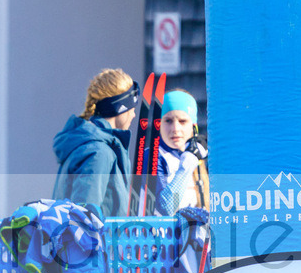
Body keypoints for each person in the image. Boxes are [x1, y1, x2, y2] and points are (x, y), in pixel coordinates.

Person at [51, 69, 138, 217]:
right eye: (131, 109)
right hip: (98, 240)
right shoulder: (99, 153)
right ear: (120, 108)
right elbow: (83, 218)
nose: (134, 115)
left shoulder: (92, 145)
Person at [156, 89, 209, 214]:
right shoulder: (155, 157)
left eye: (182, 121)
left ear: (193, 125)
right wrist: (188, 163)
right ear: (159, 124)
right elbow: (165, 209)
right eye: (168, 121)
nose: (175, 129)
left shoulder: (199, 156)